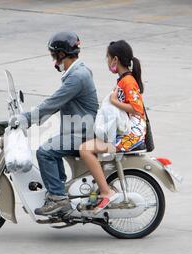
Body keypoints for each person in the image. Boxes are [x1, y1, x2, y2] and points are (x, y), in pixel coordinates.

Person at [12, 32, 99, 216]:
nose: (53, 60)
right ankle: (58, 189)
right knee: (51, 144)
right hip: (79, 131)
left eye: (53, 55)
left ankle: (58, 198)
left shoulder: (77, 76)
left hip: (83, 134)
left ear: (61, 54)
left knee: (44, 152)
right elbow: (54, 104)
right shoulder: (78, 71)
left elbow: (53, 103)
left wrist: (26, 119)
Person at [79, 40, 147, 214]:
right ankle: (99, 190)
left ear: (115, 59)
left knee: (85, 150)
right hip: (125, 131)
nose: (107, 61)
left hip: (131, 134)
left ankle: (106, 192)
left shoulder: (128, 81)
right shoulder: (124, 79)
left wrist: (114, 102)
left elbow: (137, 109)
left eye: (107, 57)